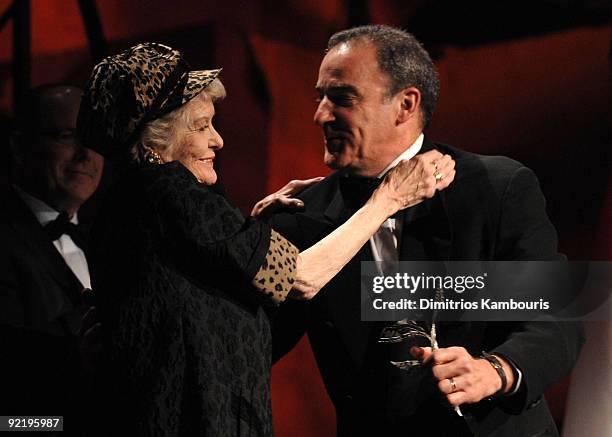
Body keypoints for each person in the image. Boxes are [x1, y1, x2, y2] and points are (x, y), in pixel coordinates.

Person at [75, 42, 455, 437]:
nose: (218, 141)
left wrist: (249, 231)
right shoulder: (172, 190)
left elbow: (191, 296)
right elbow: (300, 279)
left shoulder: (125, 201)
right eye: (202, 126)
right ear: (155, 142)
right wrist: (388, 198)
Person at [270, 25, 584, 436]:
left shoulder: (496, 188)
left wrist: (497, 371)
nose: (320, 115)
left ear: (405, 104)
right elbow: (251, 342)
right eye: (320, 97)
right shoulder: (300, 215)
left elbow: (554, 319)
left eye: (341, 98)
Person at [0, 84, 104, 432]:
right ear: (19, 147)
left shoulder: (106, 244)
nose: (86, 153)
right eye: (67, 136)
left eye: (96, 139)